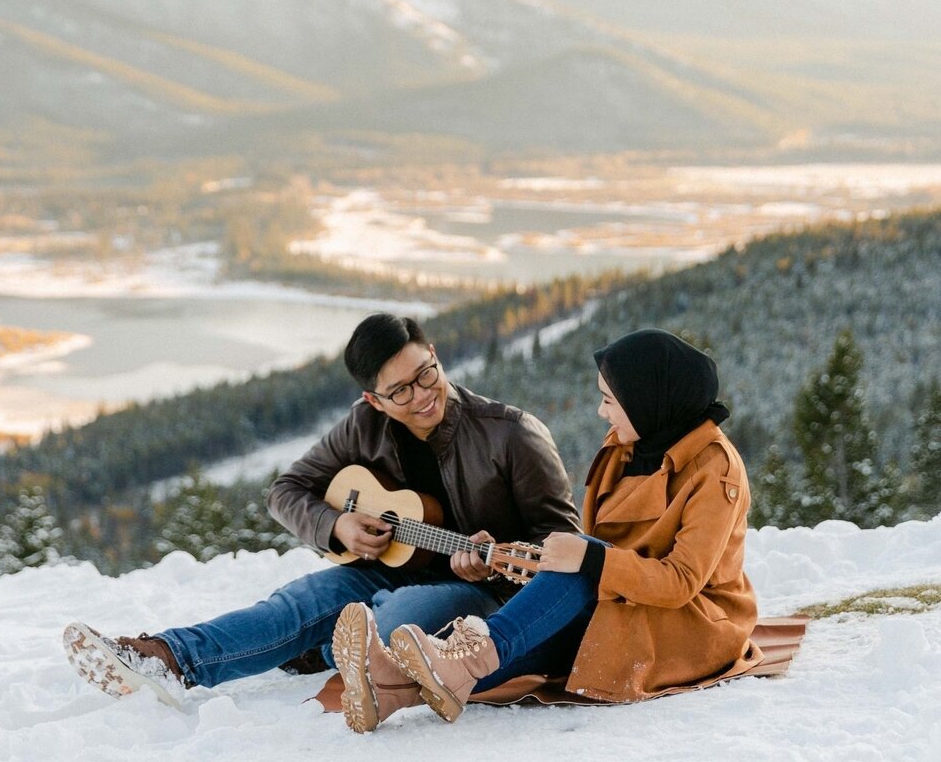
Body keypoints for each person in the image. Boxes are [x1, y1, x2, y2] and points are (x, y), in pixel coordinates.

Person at [63, 312, 581, 719]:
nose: (422, 396)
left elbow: (568, 547)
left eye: (427, 375)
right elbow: (286, 490)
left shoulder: (512, 434)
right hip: (390, 566)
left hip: (483, 592)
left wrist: (490, 565)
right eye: (400, 391)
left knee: (392, 622)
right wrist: (336, 525)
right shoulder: (363, 427)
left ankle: (325, 643)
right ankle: (165, 658)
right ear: (372, 400)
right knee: (297, 603)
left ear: (436, 356)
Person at [333, 328, 759, 730]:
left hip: (690, 623)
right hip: (625, 604)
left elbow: (680, 581)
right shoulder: (626, 449)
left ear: (648, 400)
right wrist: (510, 556)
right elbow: (602, 559)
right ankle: (393, 687)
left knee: (529, 623)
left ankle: (442, 665)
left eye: (610, 400)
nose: (601, 412)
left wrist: (589, 557)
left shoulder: (715, 469)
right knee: (527, 636)